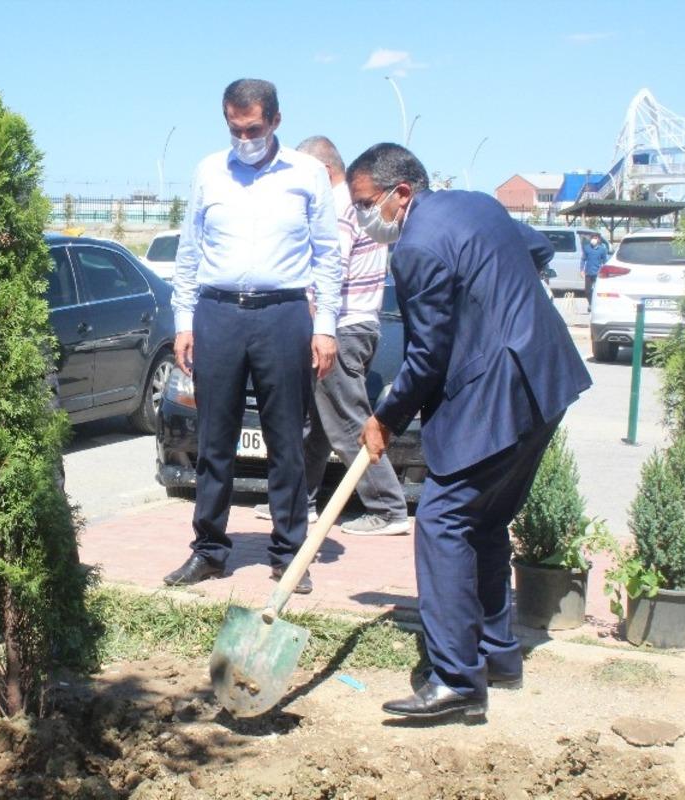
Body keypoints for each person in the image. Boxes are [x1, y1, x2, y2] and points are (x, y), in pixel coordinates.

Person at [348, 143, 591, 722]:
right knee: (482, 521)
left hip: (498, 395)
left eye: (365, 204)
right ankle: (497, 656)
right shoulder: (477, 205)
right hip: (545, 379)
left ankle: (457, 681)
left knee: (442, 520)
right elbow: (532, 249)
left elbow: (426, 357)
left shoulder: (415, 248)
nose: (362, 219)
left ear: (399, 193)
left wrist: (384, 419)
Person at [162, 79, 341, 596]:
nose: (244, 138)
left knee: (286, 439)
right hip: (218, 313)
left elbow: (328, 256)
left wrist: (325, 326)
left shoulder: (307, 175)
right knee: (213, 436)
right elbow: (189, 252)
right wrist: (184, 321)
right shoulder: (209, 172)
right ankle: (210, 551)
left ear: (276, 122)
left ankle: (289, 554)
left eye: (254, 128)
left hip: (284, 314)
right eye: (235, 128)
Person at [253, 136, 409, 536]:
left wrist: (308, 321)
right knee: (318, 424)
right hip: (357, 324)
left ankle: (388, 507)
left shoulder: (339, 207)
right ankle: (294, 502)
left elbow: (328, 273)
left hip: (339, 327)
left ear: (323, 171)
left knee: (344, 421)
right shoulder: (358, 205)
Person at [581, 232, 609, 307]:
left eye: (595, 238)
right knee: (587, 291)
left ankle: (596, 305)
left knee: (598, 291)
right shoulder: (587, 248)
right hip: (588, 272)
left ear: (599, 240)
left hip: (598, 273)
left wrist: (605, 271)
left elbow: (605, 261)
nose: (594, 240)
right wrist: (582, 270)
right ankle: (590, 303)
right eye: (592, 238)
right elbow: (583, 259)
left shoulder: (602, 249)